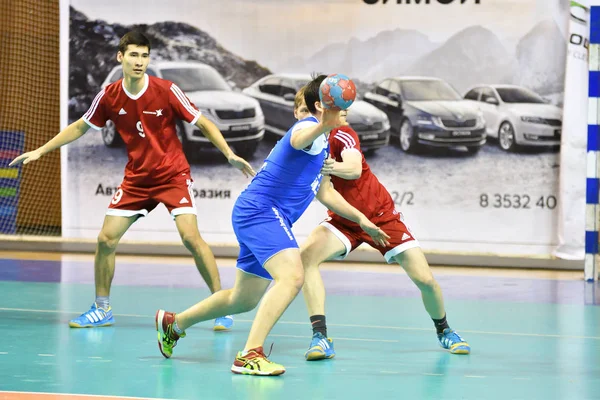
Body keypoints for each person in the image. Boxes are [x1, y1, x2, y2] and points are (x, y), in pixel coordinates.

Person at [9, 31, 255, 331]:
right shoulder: (110, 95)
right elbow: (79, 127)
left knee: (191, 238)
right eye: (134, 55)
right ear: (120, 57)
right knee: (105, 239)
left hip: (171, 175)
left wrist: (228, 153)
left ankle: (221, 304)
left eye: (144, 55)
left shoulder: (166, 90)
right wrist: (40, 150)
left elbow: (202, 122)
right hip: (137, 179)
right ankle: (102, 309)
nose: (139, 61)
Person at [154, 76, 390, 376]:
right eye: (334, 104)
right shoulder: (308, 128)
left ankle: (174, 325)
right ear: (321, 105)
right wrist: (323, 124)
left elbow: (325, 193)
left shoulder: (324, 143)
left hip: (257, 214)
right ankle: (249, 355)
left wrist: (362, 219)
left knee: (243, 299)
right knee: (292, 276)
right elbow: (297, 139)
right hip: (261, 211)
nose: (342, 110)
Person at [296, 107, 471, 361]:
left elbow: (354, 169)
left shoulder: (342, 133)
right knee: (307, 257)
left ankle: (444, 330)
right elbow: (323, 192)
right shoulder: (303, 146)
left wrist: (329, 166)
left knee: (425, 280)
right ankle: (320, 338)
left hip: (381, 216)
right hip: (344, 219)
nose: (342, 110)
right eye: (301, 109)